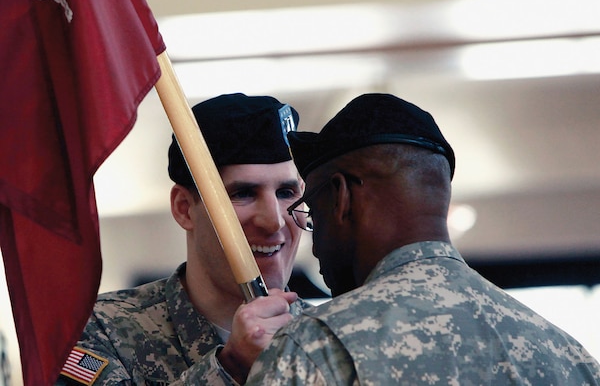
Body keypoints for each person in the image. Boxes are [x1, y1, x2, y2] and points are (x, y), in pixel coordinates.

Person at [245, 93, 600, 385]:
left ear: (341, 198)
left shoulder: (315, 347)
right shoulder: (571, 358)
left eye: (315, 214)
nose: (316, 245)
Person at [56, 93, 311, 385]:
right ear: (184, 209)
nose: (275, 220)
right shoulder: (100, 331)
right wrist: (231, 367)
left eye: (286, 193)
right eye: (242, 194)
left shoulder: (336, 334)